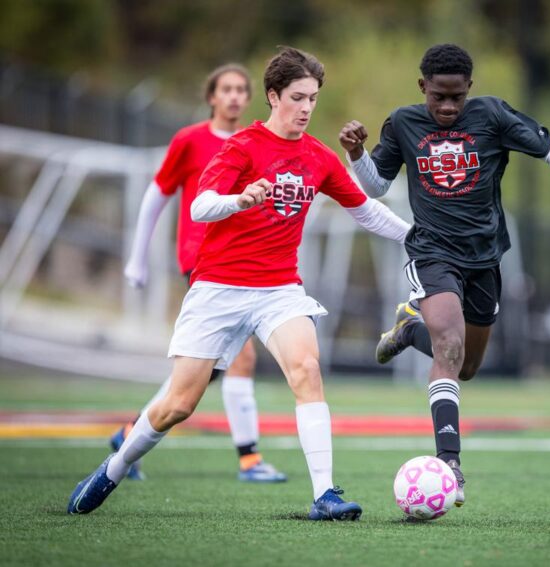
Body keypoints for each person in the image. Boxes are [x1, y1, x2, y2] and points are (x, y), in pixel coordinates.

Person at [68, 46, 411, 519]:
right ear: (272, 96)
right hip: (218, 288)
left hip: (279, 290)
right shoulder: (242, 147)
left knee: (307, 370)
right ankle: (114, 467)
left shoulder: (319, 157)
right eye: (297, 97)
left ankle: (325, 495)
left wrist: (418, 236)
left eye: (313, 97)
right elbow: (199, 207)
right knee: (178, 404)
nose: (307, 107)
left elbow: (367, 211)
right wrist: (241, 199)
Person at [339, 43, 550, 506]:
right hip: (432, 251)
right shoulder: (403, 122)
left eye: (457, 97)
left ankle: (409, 331)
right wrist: (358, 152)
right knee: (449, 346)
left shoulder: (491, 115)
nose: (447, 107)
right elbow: (376, 185)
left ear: (470, 90)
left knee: (465, 366)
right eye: (438, 97)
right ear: (422, 87)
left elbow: (547, 148)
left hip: (485, 257)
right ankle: (450, 464)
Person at [118, 63, 285, 483]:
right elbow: (156, 196)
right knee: (241, 356)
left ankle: (128, 435)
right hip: (204, 259)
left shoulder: (258, 141)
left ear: (252, 98)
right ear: (211, 96)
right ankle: (249, 459)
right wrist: (137, 258)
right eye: (225, 89)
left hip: (246, 260)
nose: (233, 96)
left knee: (204, 369)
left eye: (240, 90)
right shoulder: (189, 141)